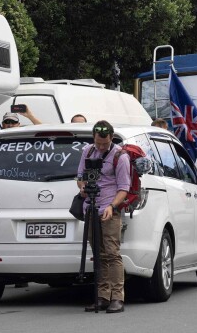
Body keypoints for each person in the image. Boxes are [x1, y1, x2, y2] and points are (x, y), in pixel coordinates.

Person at [76, 120, 131, 313]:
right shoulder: (88, 152)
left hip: (109, 209)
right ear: (93, 138)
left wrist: (112, 206)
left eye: (104, 144)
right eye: (98, 143)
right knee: (97, 254)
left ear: (111, 138)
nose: (100, 147)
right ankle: (102, 296)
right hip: (90, 208)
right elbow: (80, 178)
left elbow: (124, 188)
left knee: (112, 253)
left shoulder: (120, 156)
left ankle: (117, 297)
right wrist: (83, 188)